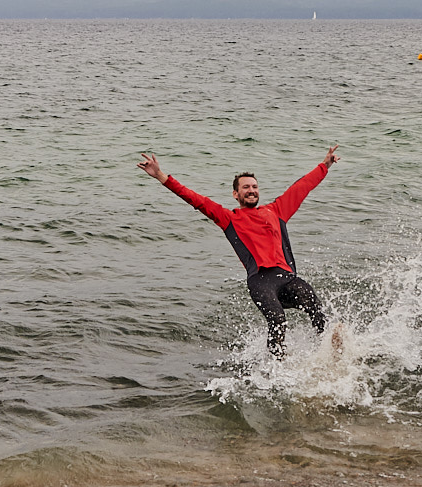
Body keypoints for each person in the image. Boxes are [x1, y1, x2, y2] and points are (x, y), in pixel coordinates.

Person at [138, 145, 340, 358]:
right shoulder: (229, 218)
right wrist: (161, 175)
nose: (251, 190)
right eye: (245, 187)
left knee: (314, 304)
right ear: (236, 194)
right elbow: (194, 199)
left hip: (286, 277)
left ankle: (329, 353)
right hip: (260, 281)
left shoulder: (277, 210)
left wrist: (325, 165)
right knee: (278, 320)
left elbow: (303, 186)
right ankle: (277, 367)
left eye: (254, 186)